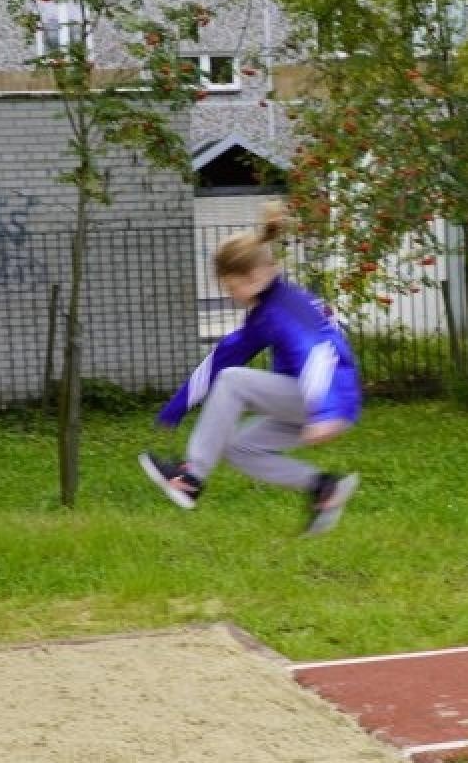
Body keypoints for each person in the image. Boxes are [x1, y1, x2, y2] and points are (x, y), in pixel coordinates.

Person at [140, 202, 362, 536]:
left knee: (233, 382)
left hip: (323, 397)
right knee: (237, 448)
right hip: (312, 397)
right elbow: (225, 354)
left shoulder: (285, 309)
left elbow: (318, 352)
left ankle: (191, 479)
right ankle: (323, 487)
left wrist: (323, 411)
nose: (232, 296)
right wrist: (178, 406)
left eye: (232, 288)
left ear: (256, 275)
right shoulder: (268, 310)